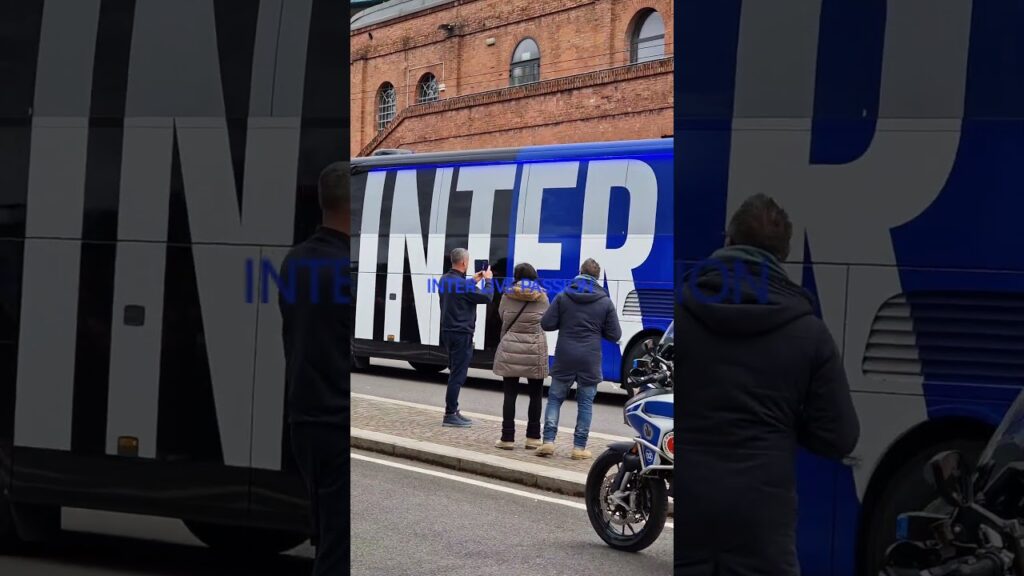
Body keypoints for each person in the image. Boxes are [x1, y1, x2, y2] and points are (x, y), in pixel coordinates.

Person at [674, 193, 860, 576]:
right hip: (762, 514)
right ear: (782, 256)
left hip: (690, 504)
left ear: (728, 240)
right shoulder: (809, 332)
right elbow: (841, 436)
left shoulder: (683, 312)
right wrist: (782, 423)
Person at [278, 161, 350, 576]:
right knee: (339, 550)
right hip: (338, 420)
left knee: (328, 536)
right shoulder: (346, 267)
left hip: (305, 419)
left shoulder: (295, 260)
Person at [537, 258, 621, 459]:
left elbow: (546, 323)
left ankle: (548, 441)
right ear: (597, 277)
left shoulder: (564, 295)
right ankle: (579, 448)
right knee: (585, 404)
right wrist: (597, 329)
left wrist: (565, 322)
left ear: (580, 272)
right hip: (590, 358)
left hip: (565, 355)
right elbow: (615, 334)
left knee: (555, 399)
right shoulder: (605, 301)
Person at [492, 263, 549, 450]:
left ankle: (507, 438)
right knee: (536, 395)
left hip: (511, 348)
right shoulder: (542, 297)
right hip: (534, 350)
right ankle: (533, 438)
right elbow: (546, 320)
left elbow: (502, 317)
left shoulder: (507, 295)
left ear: (516, 276)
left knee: (510, 395)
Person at [437, 248, 493, 427]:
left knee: (454, 371)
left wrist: (474, 279)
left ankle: (453, 410)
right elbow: (487, 297)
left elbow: (460, 288)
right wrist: (488, 280)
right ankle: (450, 414)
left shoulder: (444, 279)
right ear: (464, 262)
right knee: (458, 375)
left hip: (448, 332)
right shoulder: (463, 285)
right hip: (462, 334)